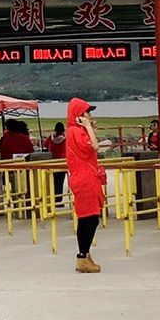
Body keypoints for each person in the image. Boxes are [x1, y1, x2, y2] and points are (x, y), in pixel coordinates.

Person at [65, 97, 108, 272]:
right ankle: (82, 256)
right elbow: (95, 147)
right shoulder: (75, 131)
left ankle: (85, 254)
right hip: (85, 178)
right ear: (78, 115)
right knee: (89, 217)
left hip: (87, 176)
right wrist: (88, 128)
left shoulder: (77, 131)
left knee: (90, 217)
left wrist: (89, 129)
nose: (89, 115)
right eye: (87, 112)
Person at [47, 121, 67, 207]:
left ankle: (52, 199)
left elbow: (45, 144)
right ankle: (58, 200)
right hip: (61, 163)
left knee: (53, 182)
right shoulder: (65, 140)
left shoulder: (50, 138)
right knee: (60, 182)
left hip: (52, 162)